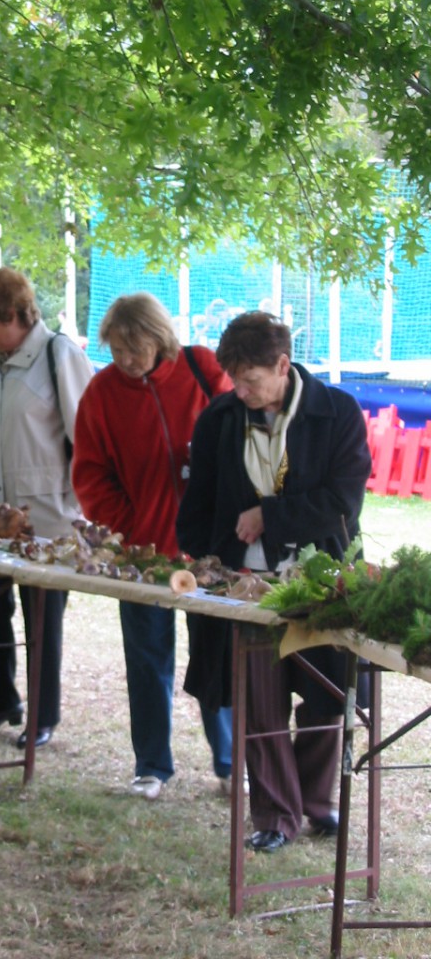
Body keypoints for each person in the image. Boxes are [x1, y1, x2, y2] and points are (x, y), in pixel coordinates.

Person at [176, 311, 372, 850]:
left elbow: (343, 502)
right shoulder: (219, 418)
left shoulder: (337, 413)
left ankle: (315, 803)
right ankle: (274, 815)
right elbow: (199, 500)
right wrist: (198, 556)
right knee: (259, 701)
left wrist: (270, 514)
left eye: (251, 381)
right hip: (246, 582)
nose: (241, 392)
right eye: (234, 380)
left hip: (318, 582)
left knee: (326, 699)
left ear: (283, 365)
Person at [72, 292, 234, 800]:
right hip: (143, 556)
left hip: (210, 551)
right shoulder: (100, 393)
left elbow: (238, 433)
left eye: (134, 348)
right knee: (146, 659)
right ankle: (152, 767)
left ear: (158, 337)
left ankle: (231, 763)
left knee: (217, 660)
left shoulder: (200, 367)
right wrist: (130, 528)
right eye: (117, 351)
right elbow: (90, 475)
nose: (126, 360)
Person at [0, 266, 94, 747]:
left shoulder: (59, 355)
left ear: (14, 315)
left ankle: (43, 716)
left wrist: (73, 508)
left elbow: (88, 439)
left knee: (42, 622)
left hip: (47, 518)